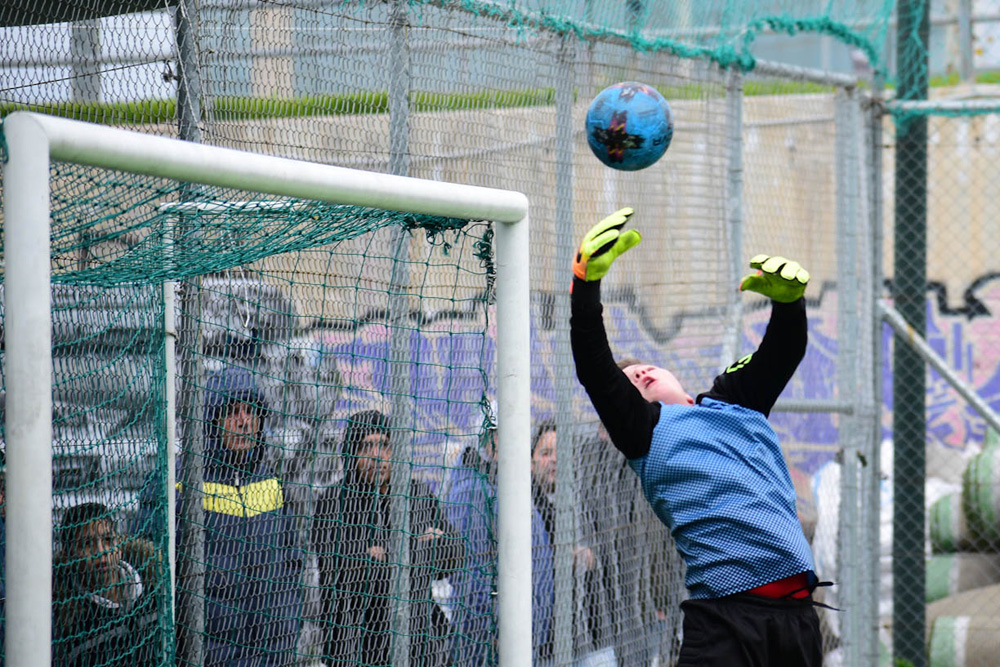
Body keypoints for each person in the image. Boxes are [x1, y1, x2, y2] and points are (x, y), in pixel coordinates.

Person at [569, 207, 826, 666]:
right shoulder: (647, 432)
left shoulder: (735, 400)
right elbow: (593, 366)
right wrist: (586, 288)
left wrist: (790, 306)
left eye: (643, 366)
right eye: (628, 381)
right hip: (727, 621)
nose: (638, 373)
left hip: (798, 619)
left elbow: (783, 351)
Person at [311, 409, 464, 667]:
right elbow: (349, 573)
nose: (377, 455)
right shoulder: (334, 502)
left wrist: (388, 554)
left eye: (384, 445)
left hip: (419, 645)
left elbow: (455, 553)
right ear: (351, 452)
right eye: (366, 446)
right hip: (357, 646)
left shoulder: (415, 494)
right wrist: (418, 548)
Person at [184, 366, 302, 666]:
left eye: (251, 411)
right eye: (232, 412)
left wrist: (289, 625)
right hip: (212, 655)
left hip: (274, 653)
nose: (243, 421)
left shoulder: (270, 482)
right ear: (212, 421)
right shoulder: (182, 484)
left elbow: (292, 561)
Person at [444, 419, 554, 666]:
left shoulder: (511, 487)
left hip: (525, 637)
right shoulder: (471, 493)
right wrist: (495, 629)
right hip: (489, 646)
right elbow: (469, 575)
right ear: (487, 441)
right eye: (499, 435)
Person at [52, 502, 162, 667]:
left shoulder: (156, 590)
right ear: (68, 556)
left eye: (108, 540)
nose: (101, 550)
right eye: (87, 544)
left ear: (119, 544)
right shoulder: (70, 626)